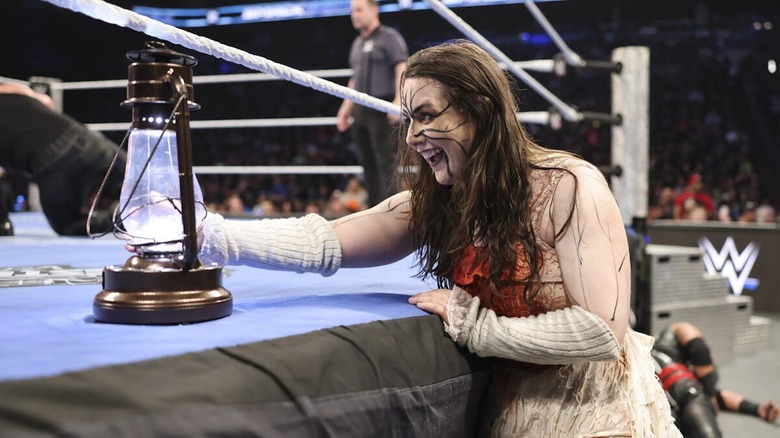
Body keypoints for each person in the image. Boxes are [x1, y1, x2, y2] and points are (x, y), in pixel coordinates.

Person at [195, 40, 680, 436]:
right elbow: (325, 242)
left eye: (426, 114)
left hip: (597, 413)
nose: (411, 135)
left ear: (480, 109)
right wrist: (205, 234)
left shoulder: (569, 186)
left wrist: (475, 325)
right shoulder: (440, 202)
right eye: (408, 118)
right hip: (512, 412)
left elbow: (600, 332)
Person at [0, 82, 125, 236]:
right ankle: (153, 210)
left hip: (53, 158)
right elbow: (46, 101)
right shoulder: (10, 88)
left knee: (68, 226)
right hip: (87, 138)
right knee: (142, 181)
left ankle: (125, 219)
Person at [335, 0, 408, 207]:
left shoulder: (389, 37)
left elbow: (401, 68)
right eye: (352, 11)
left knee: (385, 161)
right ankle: (376, 209)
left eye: (359, 10)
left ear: (374, 10)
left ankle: (391, 210)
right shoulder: (357, 43)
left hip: (382, 107)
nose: (354, 15)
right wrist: (345, 108)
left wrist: (399, 100)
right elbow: (355, 79)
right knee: (367, 162)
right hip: (360, 110)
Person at [653, 322, 778, 437]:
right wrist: (709, 388)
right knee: (690, 391)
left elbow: (720, 397)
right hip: (669, 392)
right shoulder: (673, 334)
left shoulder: (688, 377)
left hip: (664, 403)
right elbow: (698, 348)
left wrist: (755, 408)